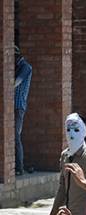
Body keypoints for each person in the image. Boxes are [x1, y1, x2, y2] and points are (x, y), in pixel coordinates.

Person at [13, 46, 31, 176]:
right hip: (12, 106)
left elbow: (15, 82)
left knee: (15, 136)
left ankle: (19, 167)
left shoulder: (25, 67)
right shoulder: (17, 66)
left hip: (18, 106)